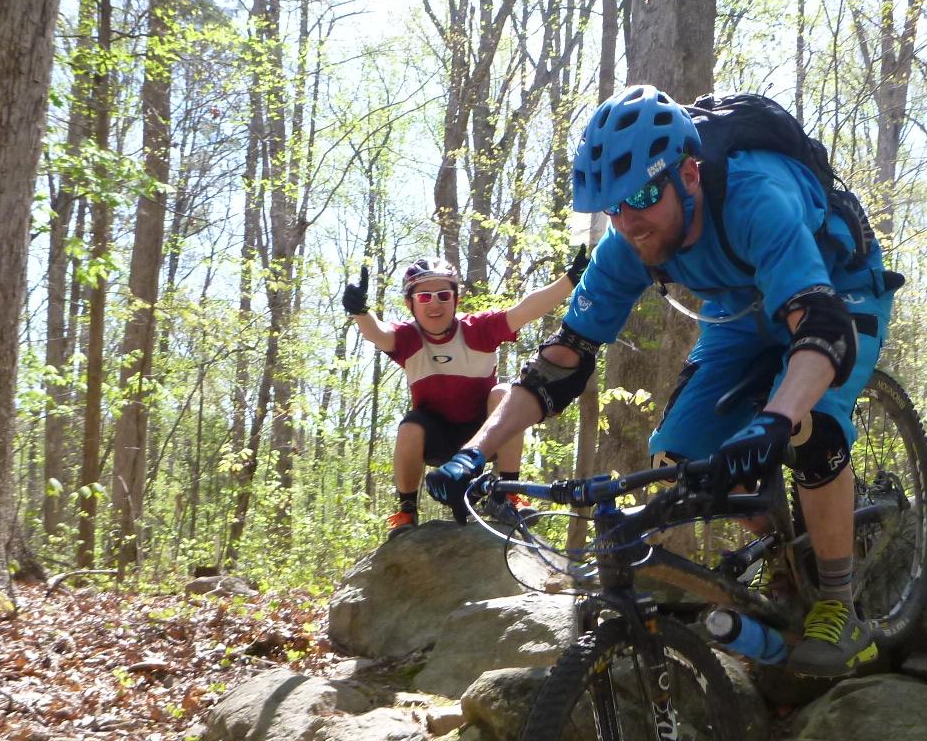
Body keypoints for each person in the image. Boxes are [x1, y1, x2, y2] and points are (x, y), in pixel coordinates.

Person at [424, 84, 896, 678]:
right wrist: (473, 453)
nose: (629, 220)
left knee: (812, 424)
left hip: (837, 289)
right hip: (738, 309)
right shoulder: (627, 243)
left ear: (690, 175)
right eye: (613, 207)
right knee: (684, 456)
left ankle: (837, 600)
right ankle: (783, 558)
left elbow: (822, 332)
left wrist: (776, 420)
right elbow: (560, 362)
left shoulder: (758, 198)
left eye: (644, 194)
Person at [343, 252, 586, 536]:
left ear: (455, 300)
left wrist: (570, 280)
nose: (435, 304)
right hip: (437, 439)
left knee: (505, 392)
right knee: (409, 425)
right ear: (411, 304)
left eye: (443, 296)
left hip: (483, 438)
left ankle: (507, 494)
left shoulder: (477, 329)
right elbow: (378, 333)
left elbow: (525, 310)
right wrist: (360, 311)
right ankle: (406, 511)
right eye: (424, 298)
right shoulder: (407, 337)